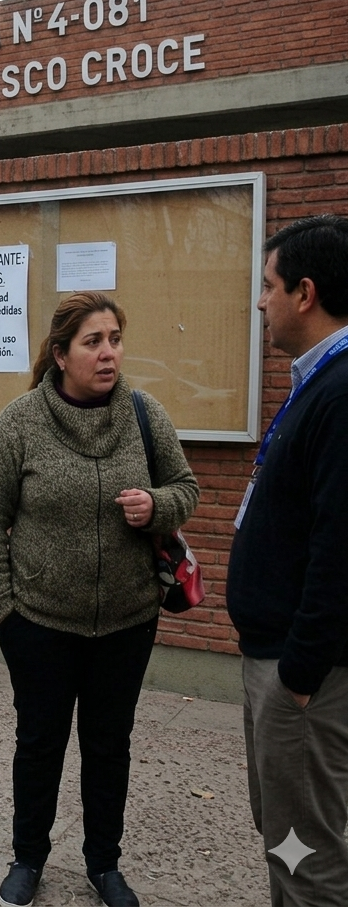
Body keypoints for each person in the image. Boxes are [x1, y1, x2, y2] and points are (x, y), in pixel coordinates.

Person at [0, 291, 199, 907]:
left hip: (127, 622)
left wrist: (159, 506)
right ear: (62, 353)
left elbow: (186, 487)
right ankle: (29, 857)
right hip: (39, 623)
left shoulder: (145, 415)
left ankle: (105, 863)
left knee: (108, 746)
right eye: (93, 342)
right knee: (39, 743)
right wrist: (5, 613)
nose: (108, 353)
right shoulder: (20, 422)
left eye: (115, 340)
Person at [227, 215, 348, 907]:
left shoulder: (340, 390)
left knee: (307, 859)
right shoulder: (319, 380)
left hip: (306, 675)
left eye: (267, 286)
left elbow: (340, 549)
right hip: (287, 664)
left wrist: (299, 675)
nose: (259, 301)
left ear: (305, 293)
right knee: (286, 838)